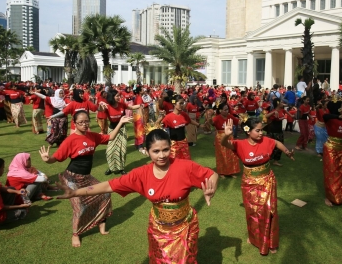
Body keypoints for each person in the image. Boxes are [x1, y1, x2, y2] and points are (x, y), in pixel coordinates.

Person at [56, 129, 219, 262]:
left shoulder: (185, 167)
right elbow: (109, 185)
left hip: (184, 227)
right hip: (158, 229)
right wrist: (75, 192)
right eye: (156, 151)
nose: (161, 155)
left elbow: (212, 175)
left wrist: (211, 188)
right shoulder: (140, 174)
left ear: (171, 147)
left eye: (165, 150)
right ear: (147, 151)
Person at [39, 111, 132, 247]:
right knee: (80, 206)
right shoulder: (70, 140)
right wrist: (47, 160)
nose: (84, 124)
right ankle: (75, 234)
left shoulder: (92, 136)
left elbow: (110, 137)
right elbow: (55, 158)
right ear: (75, 123)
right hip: (72, 178)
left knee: (105, 193)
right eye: (81, 122)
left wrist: (121, 122)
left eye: (86, 121)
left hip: (86, 177)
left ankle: (101, 222)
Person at [221, 117, 294, 255]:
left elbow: (277, 143)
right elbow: (224, 143)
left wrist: (287, 152)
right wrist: (226, 134)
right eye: (258, 130)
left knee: (269, 210)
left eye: (262, 130)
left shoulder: (266, 141)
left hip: (267, 180)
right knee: (253, 212)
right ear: (248, 131)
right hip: (249, 183)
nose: (261, 133)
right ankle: (255, 238)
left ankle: (271, 242)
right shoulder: (240, 144)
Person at [322, 97, 342, 207]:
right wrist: (339, 116)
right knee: (331, 174)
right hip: (331, 148)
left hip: (340, 149)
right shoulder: (330, 118)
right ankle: (329, 197)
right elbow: (325, 116)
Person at [102, 89, 141, 175]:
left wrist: (141, 105)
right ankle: (111, 167)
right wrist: (101, 105)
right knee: (110, 151)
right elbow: (100, 111)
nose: (119, 97)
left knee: (122, 150)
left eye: (119, 95)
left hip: (122, 129)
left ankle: (122, 168)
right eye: (117, 96)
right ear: (112, 97)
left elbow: (131, 107)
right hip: (112, 130)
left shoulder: (122, 104)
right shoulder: (107, 106)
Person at [157, 94, 201, 160]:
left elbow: (189, 120)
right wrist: (162, 117)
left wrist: (199, 125)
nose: (182, 105)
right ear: (174, 104)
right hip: (173, 144)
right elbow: (157, 125)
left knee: (186, 161)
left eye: (183, 103)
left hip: (184, 143)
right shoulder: (169, 117)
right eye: (180, 103)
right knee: (174, 162)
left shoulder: (183, 114)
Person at [212, 102, 240, 177]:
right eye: (225, 110)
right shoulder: (217, 118)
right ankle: (222, 172)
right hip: (220, 137)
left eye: (227, 109)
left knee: (231, 154)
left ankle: (232, 171)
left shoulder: (230, 117)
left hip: (230, 137)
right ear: (220, 110)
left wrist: (244, 119)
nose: (226, 111)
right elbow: (211, 123)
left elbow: (237, 122)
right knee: (222, 154)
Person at [265, 98, 294, 166]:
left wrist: (292, 116)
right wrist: (273, 112)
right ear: (278, 103)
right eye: (281, 102)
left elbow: (289, 114)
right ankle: (267, 159)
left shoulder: (282, 110)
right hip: (273, 131)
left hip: (279, 131)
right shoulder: (274, 111)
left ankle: (275, 160)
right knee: (272, 146)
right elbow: (266, 116)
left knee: (280, 146)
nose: (283, 103)